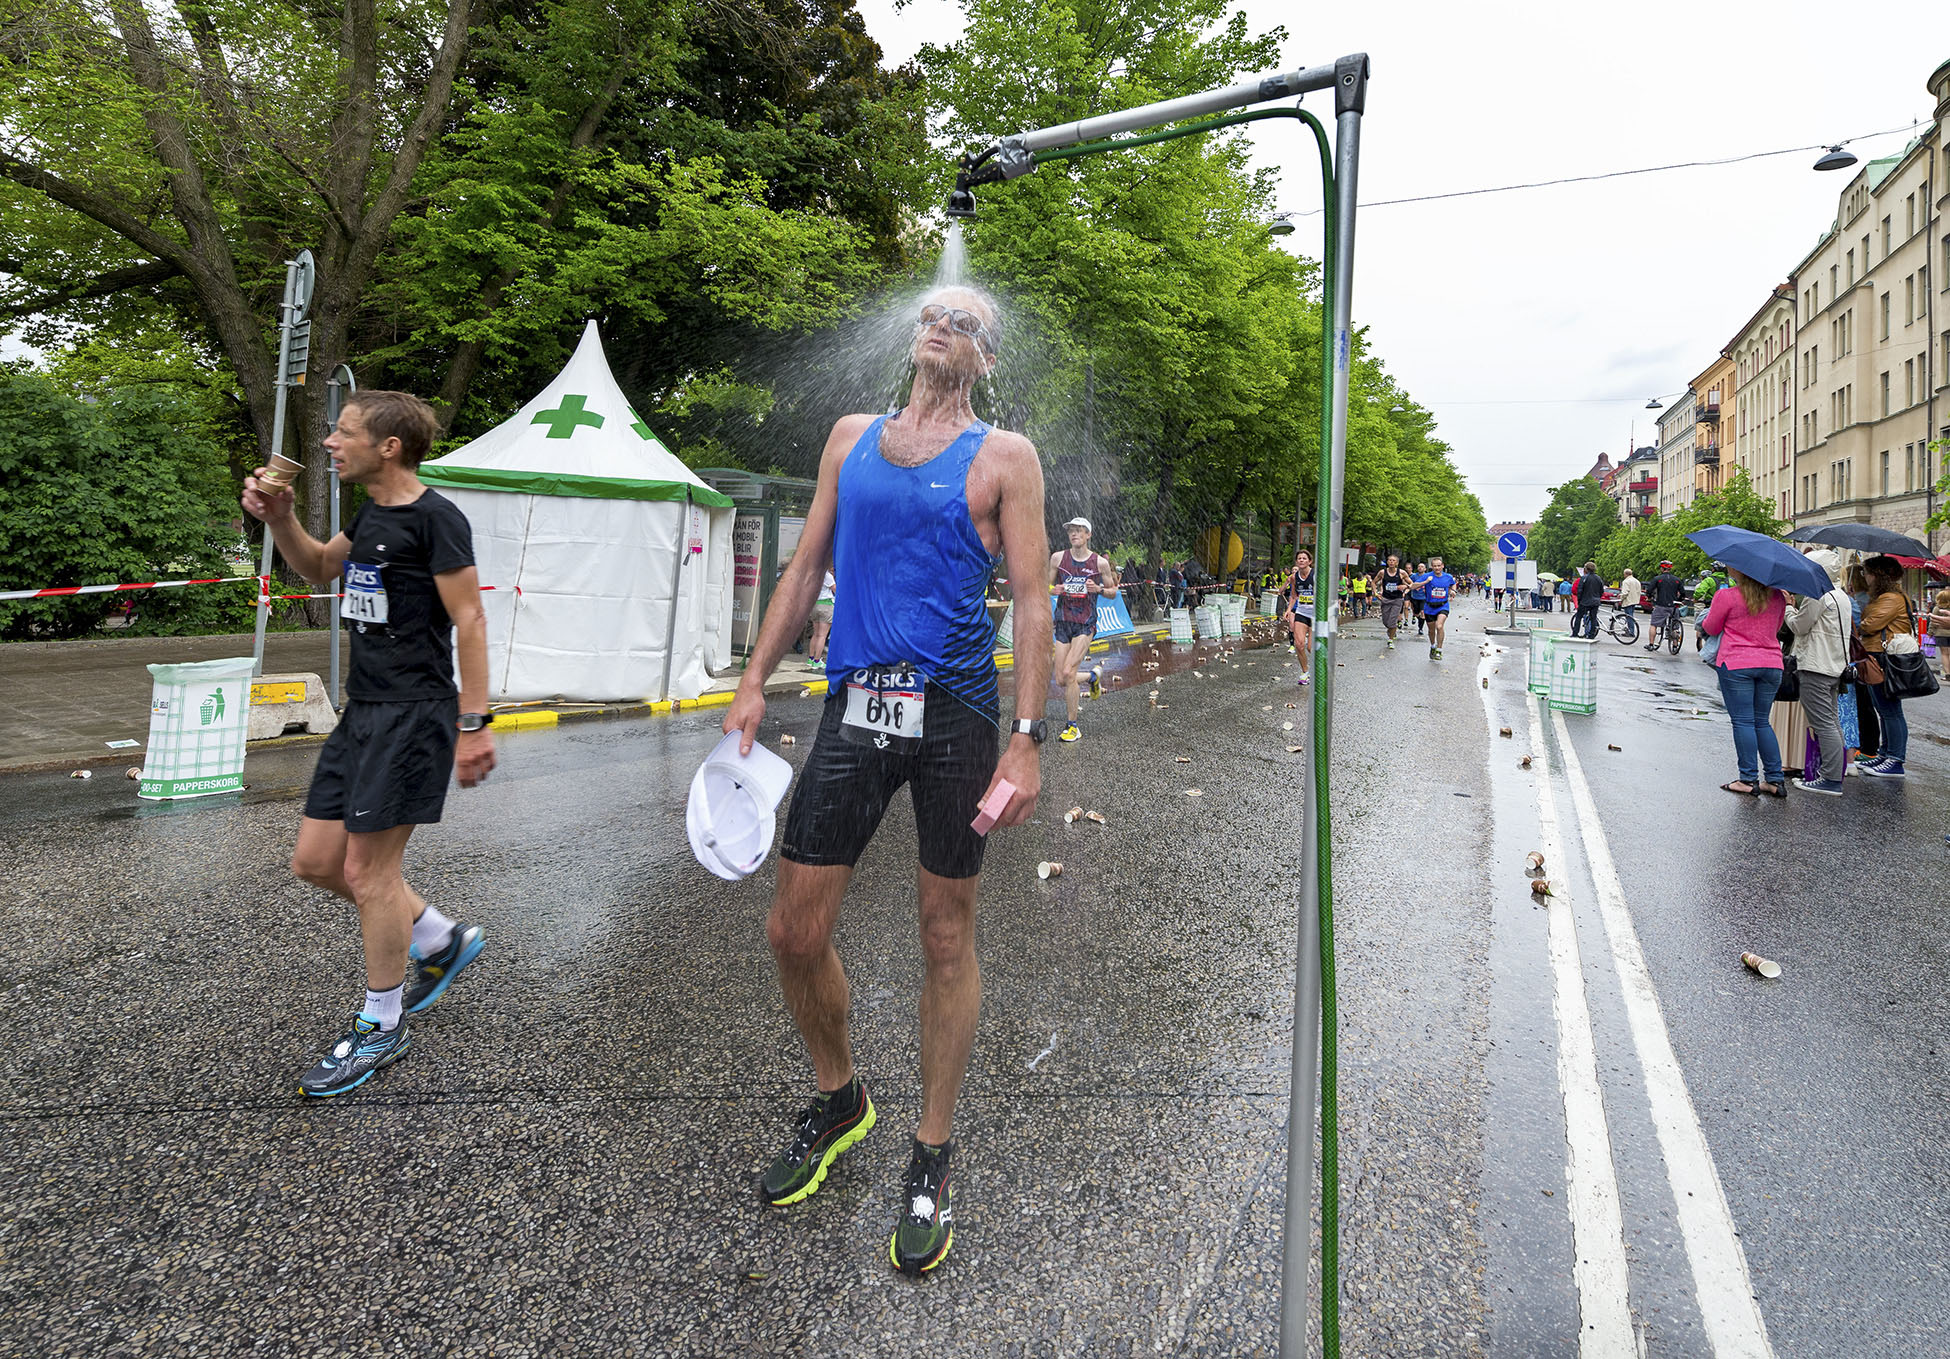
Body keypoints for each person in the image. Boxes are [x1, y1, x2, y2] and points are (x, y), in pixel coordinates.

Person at [721, 285, 1050, 1276]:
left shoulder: (1005, 457)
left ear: (986, 359)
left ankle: (933, 1153)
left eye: (967, 324)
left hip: (955, 714)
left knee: (946, 932)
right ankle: (840, 1098)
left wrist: (1028, 738)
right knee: (793, 928)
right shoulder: (850, 437)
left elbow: (1032, 604)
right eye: (934, 314)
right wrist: (750, 682)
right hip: (855, 703)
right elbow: (802, 569)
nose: (943, 325)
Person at [240, 391, 496, 1097]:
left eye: (344, 432)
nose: (329, 441)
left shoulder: (437, 518)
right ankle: (441, 938)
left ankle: (382, 1026)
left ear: (389, 446)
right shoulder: (373, 514)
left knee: (369, 872)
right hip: (364, 710)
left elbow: (469, 619)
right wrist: (283, 517)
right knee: (316, 861)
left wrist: (474, 723)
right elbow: (321, 568)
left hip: (415, 712)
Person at [1700, 567, 1788, 796]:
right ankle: (1775, 780)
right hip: (1771, 663)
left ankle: (1748, 779)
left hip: (1737, 663)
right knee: (1762, 721)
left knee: (1743, 722)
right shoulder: (1778, 596)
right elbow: (1776, 628)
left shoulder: (1726, 596)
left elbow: (1710, 627)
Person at [1785, 550, 1853, 795]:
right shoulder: (1841, 596)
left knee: (1823, 723)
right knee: (1832, 721)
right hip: (1833, 665)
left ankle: (1830, 779)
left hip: (1815, 664)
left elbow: (1799, 626)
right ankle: (1835, 773)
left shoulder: (1819, 595)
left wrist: (1789, 608)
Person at [1049, 516, 1117, 742]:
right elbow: (1046, 585)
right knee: (1060, 679)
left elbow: (1112, 591)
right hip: (1063, 621)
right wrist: (1054, 589)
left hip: (1085, 623)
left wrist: (1097, 588)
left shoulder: (1100, 563)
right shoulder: (1058, 558)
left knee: (1068, 672)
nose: (1074, 534)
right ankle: (1091, 677)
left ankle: (1073, 726)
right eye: (1071, 531)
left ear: (1088, 535)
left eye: (1079, 531)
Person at [1854, 555, 1917, 779]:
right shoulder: (1887, 596)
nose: (1865, 577)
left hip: (1884, 656)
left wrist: (1861, 617)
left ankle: (1895, 759)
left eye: (1867, 572)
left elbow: (1870, 624)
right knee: (1884, 709)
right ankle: (1885, 753)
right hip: (1877, 654)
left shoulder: (1891, 597)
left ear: (1878, 574)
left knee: (1891, 711)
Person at [1282, 549, 1317, 684]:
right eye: (1299, 558)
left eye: (1304, 558)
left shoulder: (1316, 576)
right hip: (1301, 612)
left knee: (1310, 647)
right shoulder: (1294, 577)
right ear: (1296, 561)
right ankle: (1305, 672)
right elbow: (1294, 595)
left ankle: (1320, 669)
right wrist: (1289, 609)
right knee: (1299, 644)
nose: (1301, 560)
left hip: (1315, 614)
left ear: (1310, 561)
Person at [1421, 555, 1455, 659]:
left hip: (1443, 605)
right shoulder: (1427, 576)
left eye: (1439, 566)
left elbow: (1453, 584)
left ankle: (1439, 650)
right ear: (1431, 567)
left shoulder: (1448, 577)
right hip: (1429, 606)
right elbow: (1413, 585)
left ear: (1442, 566)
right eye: (1435, 566)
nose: (1437, 568)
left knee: (1439, 626)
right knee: (1431, 631)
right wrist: (1426, 582)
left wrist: (1453, 591)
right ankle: (1433, 646)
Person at [1645, 561, 1683, 652]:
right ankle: (1675, 645)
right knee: (1674, 626)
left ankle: (1651, 644)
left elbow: (1649, 590)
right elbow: (1683, 593)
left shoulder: (1657, 579)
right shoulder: (1677, 580)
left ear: (1662, 569)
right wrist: (1679, 600)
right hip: (1674, 606)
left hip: (1661, 605)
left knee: (1654, 624)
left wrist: (1649, 597)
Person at [1375, 553, 1410, 649]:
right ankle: (1390, 630)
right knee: (1386, 622)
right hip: (1385, 599)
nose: (1391, 562)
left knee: (1392, 621)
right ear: (1387, 562)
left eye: (1393, 560)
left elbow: (1411, 584)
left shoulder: (1402, 573)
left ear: (1397, 563)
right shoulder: (1382, 572)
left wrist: (1405, 588)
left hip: (1397, 600)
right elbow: (1373, 582)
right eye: (1390, 560)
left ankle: (1390, 640)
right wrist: (1375, 593)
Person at [809, 569, 836, 662]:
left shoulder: (814, 574)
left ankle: (811, 658)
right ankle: (817, 661)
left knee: (816, 634)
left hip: (815, 604)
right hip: (826, 605)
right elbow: (835, 589)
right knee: (822, 636)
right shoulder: (827, 576)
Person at [1571, 561, 1603, 638]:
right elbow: (1601, 590)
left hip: (1585, 601)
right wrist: (1598, 597)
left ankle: (1575, 633)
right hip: (1595, 601)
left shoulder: (1584, 578)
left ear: (1586, 569)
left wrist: (1579, 600)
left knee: (1578, 617)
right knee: (1593, 618)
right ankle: (1592, 634)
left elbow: (1580, 590)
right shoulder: (1598, 578)